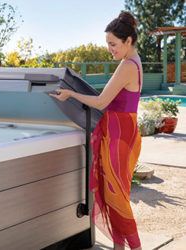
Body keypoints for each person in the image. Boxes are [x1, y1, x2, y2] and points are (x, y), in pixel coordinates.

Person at [50, 11, 142, 250]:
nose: (110, 49)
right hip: (124, 130)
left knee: (117, 198)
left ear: (128, 41)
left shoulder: (127, 66)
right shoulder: (134, 60)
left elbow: (101, 102)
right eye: (108, 44)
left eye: (113, 44)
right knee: (115, 195)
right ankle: (119, 247)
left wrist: (70, 93)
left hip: (119, 134)